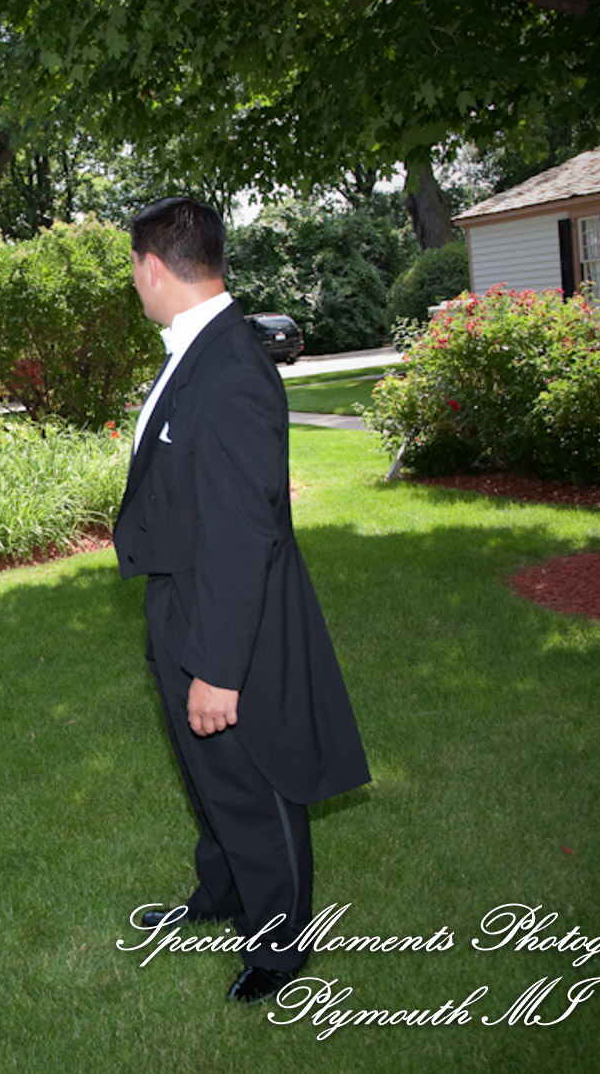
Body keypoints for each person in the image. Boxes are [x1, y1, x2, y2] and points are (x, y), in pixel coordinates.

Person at [113, 197, 370, 1003]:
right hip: (181, 598)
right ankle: (221, 893)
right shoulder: (199, 346)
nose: (133, 281)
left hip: (225, 617)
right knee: (208, 776)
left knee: (253, 785)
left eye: (132, 267)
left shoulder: (229, 370)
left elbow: (239, 532)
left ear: (153, 266)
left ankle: (279, 947)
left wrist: (218, 670)